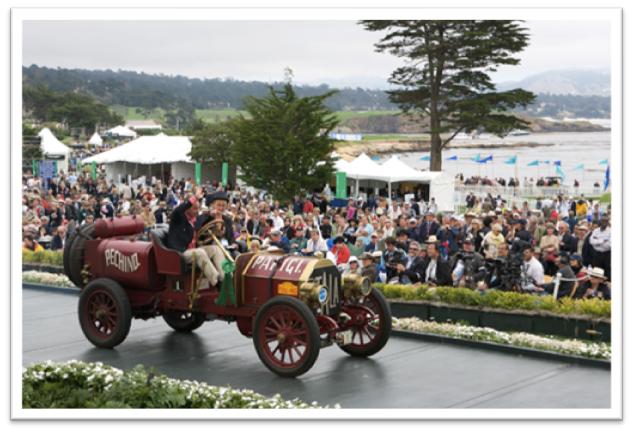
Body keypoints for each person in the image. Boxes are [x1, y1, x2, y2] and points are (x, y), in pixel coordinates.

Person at [164, 188, 222, 287]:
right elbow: (179, 209)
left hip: (192, 250)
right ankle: (217, 282)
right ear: (187, 208)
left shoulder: (194, 219)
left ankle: (225, 277)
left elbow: (202, 217)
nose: (197, 211)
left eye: (198, 208)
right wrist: (195, 197)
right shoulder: (178, 217)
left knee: (215, 249)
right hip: (180, 253)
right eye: (194, 208)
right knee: (200, 253)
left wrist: (210, 214)